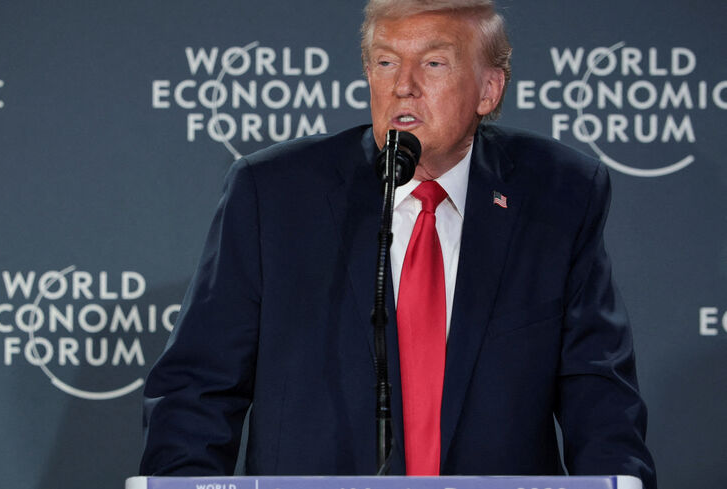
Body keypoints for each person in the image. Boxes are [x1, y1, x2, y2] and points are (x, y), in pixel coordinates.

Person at [139, 0, 657, 487]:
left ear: (489, 89)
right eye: (386, 63)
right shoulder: (273, 193)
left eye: (433, 64)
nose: (403, 87)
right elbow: (198, 390)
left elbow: (600, 394)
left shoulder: (559, 193)